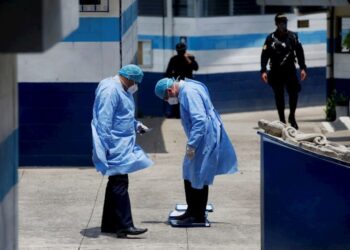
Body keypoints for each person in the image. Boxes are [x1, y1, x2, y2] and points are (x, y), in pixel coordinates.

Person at [154, 77, 238, 225]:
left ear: (169, 90)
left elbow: (199, 120)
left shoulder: (188, 93)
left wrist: (192, 145)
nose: (169, 100)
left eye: (167, 98)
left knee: (198, 174)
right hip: (202, 136)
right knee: (189, 171)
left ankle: (197, 214)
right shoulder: (190, 86)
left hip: (202, 138)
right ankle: (191, 210)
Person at [91, 64, 153, 238]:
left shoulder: (123, 89)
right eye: (135, 81)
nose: (135, 85)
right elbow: (104, 120)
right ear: (129, 78)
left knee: (115, 182)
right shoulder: (111, 90)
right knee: (120, 183)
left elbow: (123, 115)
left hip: (122, 143)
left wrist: (137, 125)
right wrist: (105, 146)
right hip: (114, 144)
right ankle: (125, 225)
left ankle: (110, 224)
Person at [260, 13, 307, 130]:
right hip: (276, 71)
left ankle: (292, 116)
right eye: (280, 22)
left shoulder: (293, 37)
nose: (283, 24)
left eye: (284, 22)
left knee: (294, 93)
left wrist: (302, 68)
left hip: (290, 70)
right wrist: (263, 70)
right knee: (279, 96)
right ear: (276, 24)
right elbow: (264, 55)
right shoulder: (270, 38)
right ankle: (282, 120)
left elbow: (300, 52)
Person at [164, 42, 199, 118]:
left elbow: (195, 67)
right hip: (180, 83)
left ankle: (180, 115)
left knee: (186, 99)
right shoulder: (174, 59)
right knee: (179, 99)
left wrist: (187, 58)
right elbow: (168, 72)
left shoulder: (188, 58)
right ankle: (178, 115)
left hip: (186, 83)